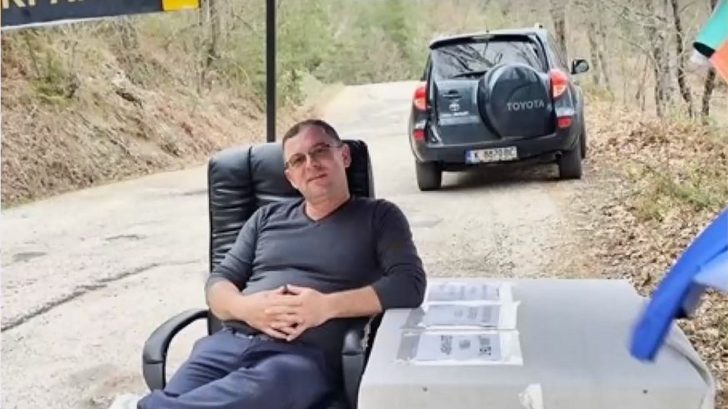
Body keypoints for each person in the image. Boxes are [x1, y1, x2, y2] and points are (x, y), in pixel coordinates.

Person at [137, 119, 427, 409]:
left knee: (246, 393)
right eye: (298, 160)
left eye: (320, 151)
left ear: (345, 156)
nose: (311, 164)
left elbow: (409, 284)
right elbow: (218, 283)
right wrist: (246, 308)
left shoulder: (380, 217)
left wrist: (326, 306)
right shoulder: (265, 219)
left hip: (299, 360)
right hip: (227, 345)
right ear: (290, 177)